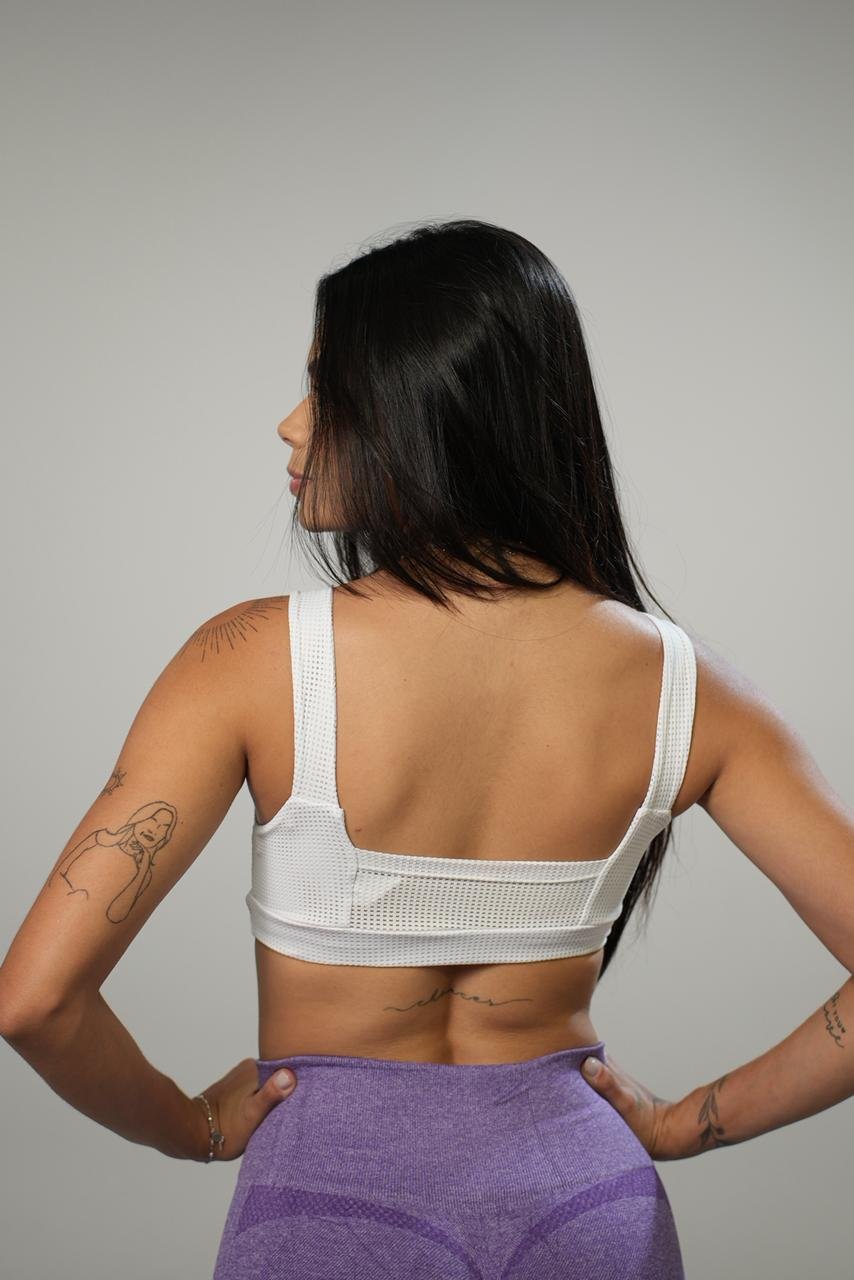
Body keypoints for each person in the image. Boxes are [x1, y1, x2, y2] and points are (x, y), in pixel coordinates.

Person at [1, 219, 851, 1279]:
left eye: (327, 390)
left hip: (328, 1202)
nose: (290, 423)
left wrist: (194, 1126)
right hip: (587, 1203)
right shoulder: (687, 686)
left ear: (424, 408)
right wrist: (687, 1123)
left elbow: (34, 1000)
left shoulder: (249, 660)